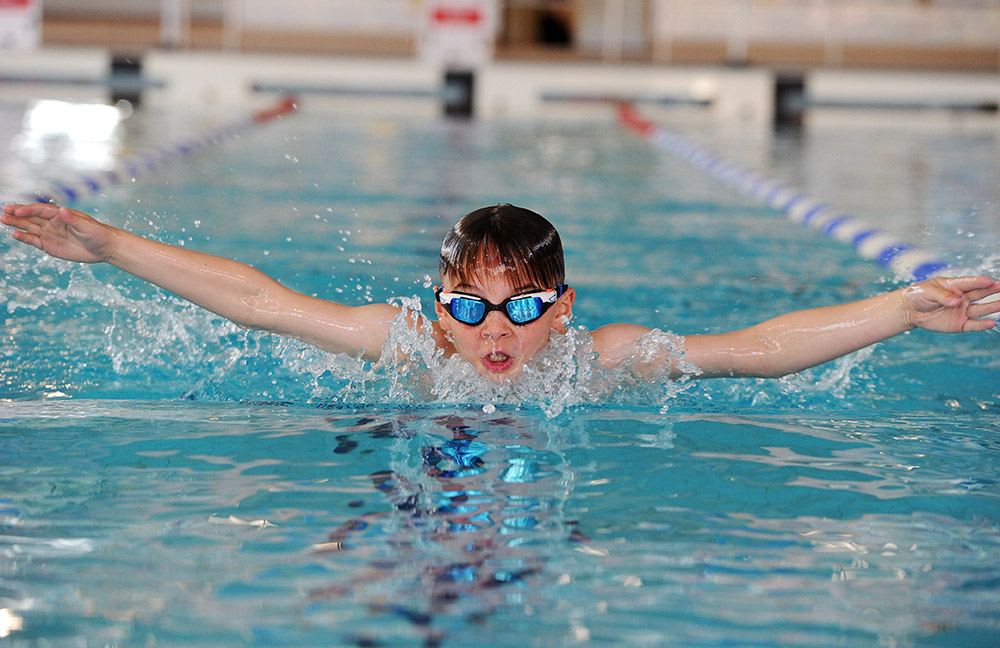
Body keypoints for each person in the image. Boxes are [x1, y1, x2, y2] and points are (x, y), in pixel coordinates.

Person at [3, 202, 999, 384]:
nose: (495, 329)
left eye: (523, 308)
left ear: (559, 308)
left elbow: (759, 346)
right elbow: (261, 302)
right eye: (471, 306)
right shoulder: (409, 349)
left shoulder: (595, 359)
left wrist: (902, 309)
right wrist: (110, 246)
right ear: (438, 304)